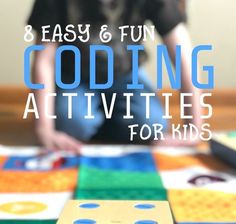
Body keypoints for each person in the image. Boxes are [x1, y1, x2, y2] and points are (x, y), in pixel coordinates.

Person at [28, 0, 201, 151]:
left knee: (152, 126)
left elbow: (182, 55)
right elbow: (44, 61)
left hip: (126, 74)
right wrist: (44, 128)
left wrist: (194, 127)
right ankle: (101, 117)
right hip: (74, 77)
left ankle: (101, 117)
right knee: (72, 123)